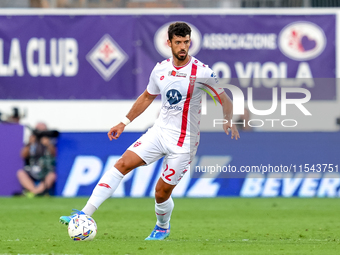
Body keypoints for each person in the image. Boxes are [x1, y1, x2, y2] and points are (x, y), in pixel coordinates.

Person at [59, 22, 240, 240]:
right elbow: (146, 97)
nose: (183, 47)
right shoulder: (160, 69)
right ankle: (84, 214)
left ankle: (162, 226)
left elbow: (224, 98)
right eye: (178, 42)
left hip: (183, 142)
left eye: (186, 42)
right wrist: (123, 122)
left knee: (161, 192)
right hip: (159, 132)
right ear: (169, 43)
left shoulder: (202, 72)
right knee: (122, 164)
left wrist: (227, 119)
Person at [17, 122, 57, 197]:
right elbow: (23, 155)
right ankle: (35, 192)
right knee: (20, 173)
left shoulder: (51, 141)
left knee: (52, 175)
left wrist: (48, 144)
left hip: (46, 169)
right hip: (33, 169)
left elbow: (55, 154)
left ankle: (36, 192)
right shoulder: (32, 141)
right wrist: (30, 143)